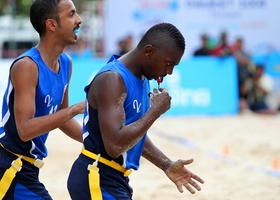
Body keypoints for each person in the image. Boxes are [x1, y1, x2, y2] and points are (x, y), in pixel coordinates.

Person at [67, 22, 204, 200]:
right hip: (97, 176)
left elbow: (132, 135)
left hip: (113, 178)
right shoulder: (113, 79)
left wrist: (166, 164)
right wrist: (155, 111)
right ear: (148, 51)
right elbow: (115, 145)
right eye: (169, 63)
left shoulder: (142, 77)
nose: (169, 72)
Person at [0, 0, 85, 199]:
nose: (79, 20)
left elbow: (60, 118)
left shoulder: (66, 63)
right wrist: (73, 109)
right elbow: (24, 130)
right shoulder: (27, 66)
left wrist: (95, 139)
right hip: (9, 164)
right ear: (52, 25)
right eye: (72, 14)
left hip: (28, 167)